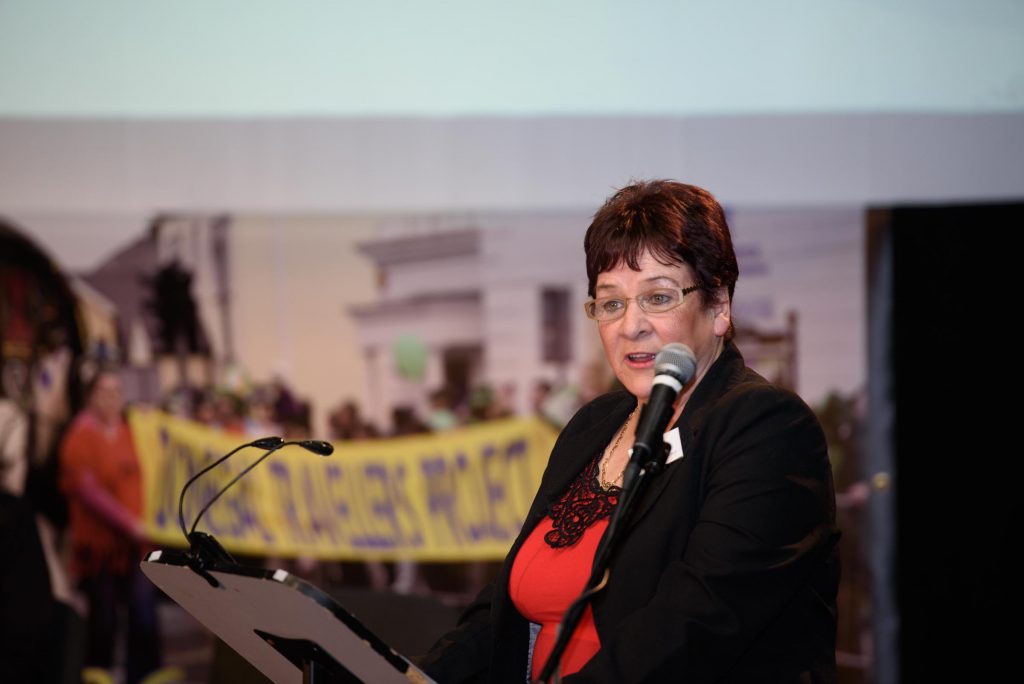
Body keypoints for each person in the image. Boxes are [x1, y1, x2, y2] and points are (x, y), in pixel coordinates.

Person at [417, 180, 839, 682]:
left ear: (720, 306)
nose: (630, 325)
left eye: (658, 297)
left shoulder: (765, 428)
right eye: (611, 303)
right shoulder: (594, 425)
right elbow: (501, 613)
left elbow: (691, 628)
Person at [59, 368, 161, 684]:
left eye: (117, 391)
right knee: (103, 624)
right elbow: (90, 493)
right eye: (105, 391)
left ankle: (144, 676)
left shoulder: (132, 433)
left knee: (144, 619)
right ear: (90, 396)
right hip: (100, 550)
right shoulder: (78, 439)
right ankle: (99, 677)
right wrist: (130, 523)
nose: (112, 398)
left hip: (136, 546)